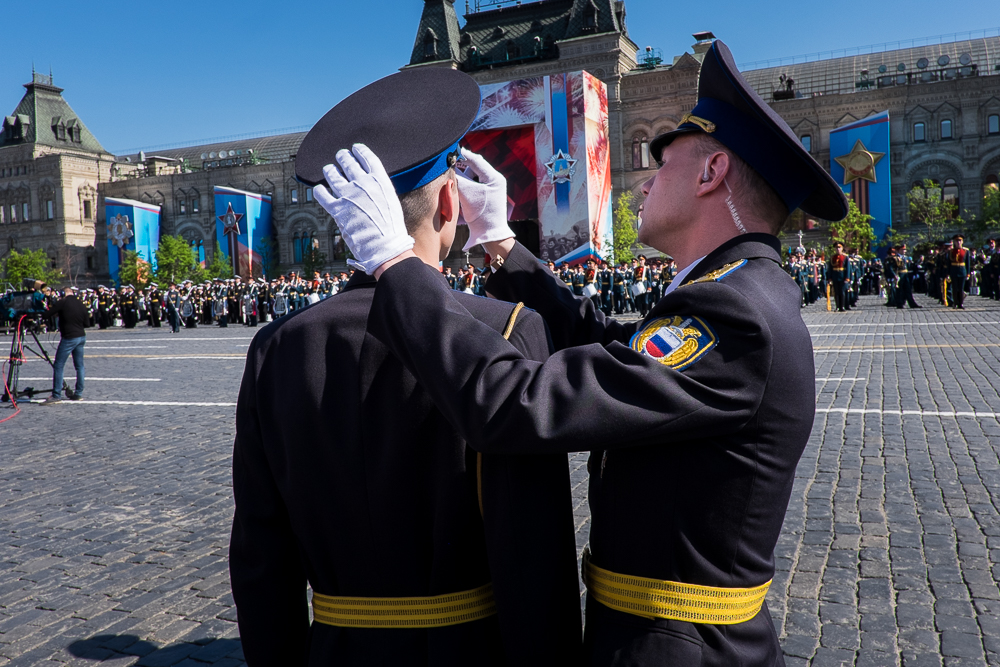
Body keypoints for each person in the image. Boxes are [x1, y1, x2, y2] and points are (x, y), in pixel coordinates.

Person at [320, 40, 848, 666]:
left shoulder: (738, 316)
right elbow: (613, 349)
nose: (647, 180)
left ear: (712, 174)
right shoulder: (731, 294)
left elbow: (515, 406)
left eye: (666, 162)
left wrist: (395, 263)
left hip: (677, 649)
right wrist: (500, 245)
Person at [231, 68, 581, 666]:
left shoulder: (277, 346)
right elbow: (534, 555)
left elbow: (261, 559)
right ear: (452, 200)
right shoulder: (506, 328)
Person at [42, 286, 88, 404]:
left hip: (69, 337)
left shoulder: (62, 302)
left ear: (63, 294)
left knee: (58, 365)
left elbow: (47, 314)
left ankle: (57, 394)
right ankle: (78, 393)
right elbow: (87, 322)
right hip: (81, 336)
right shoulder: (80, 303)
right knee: (79, 366)